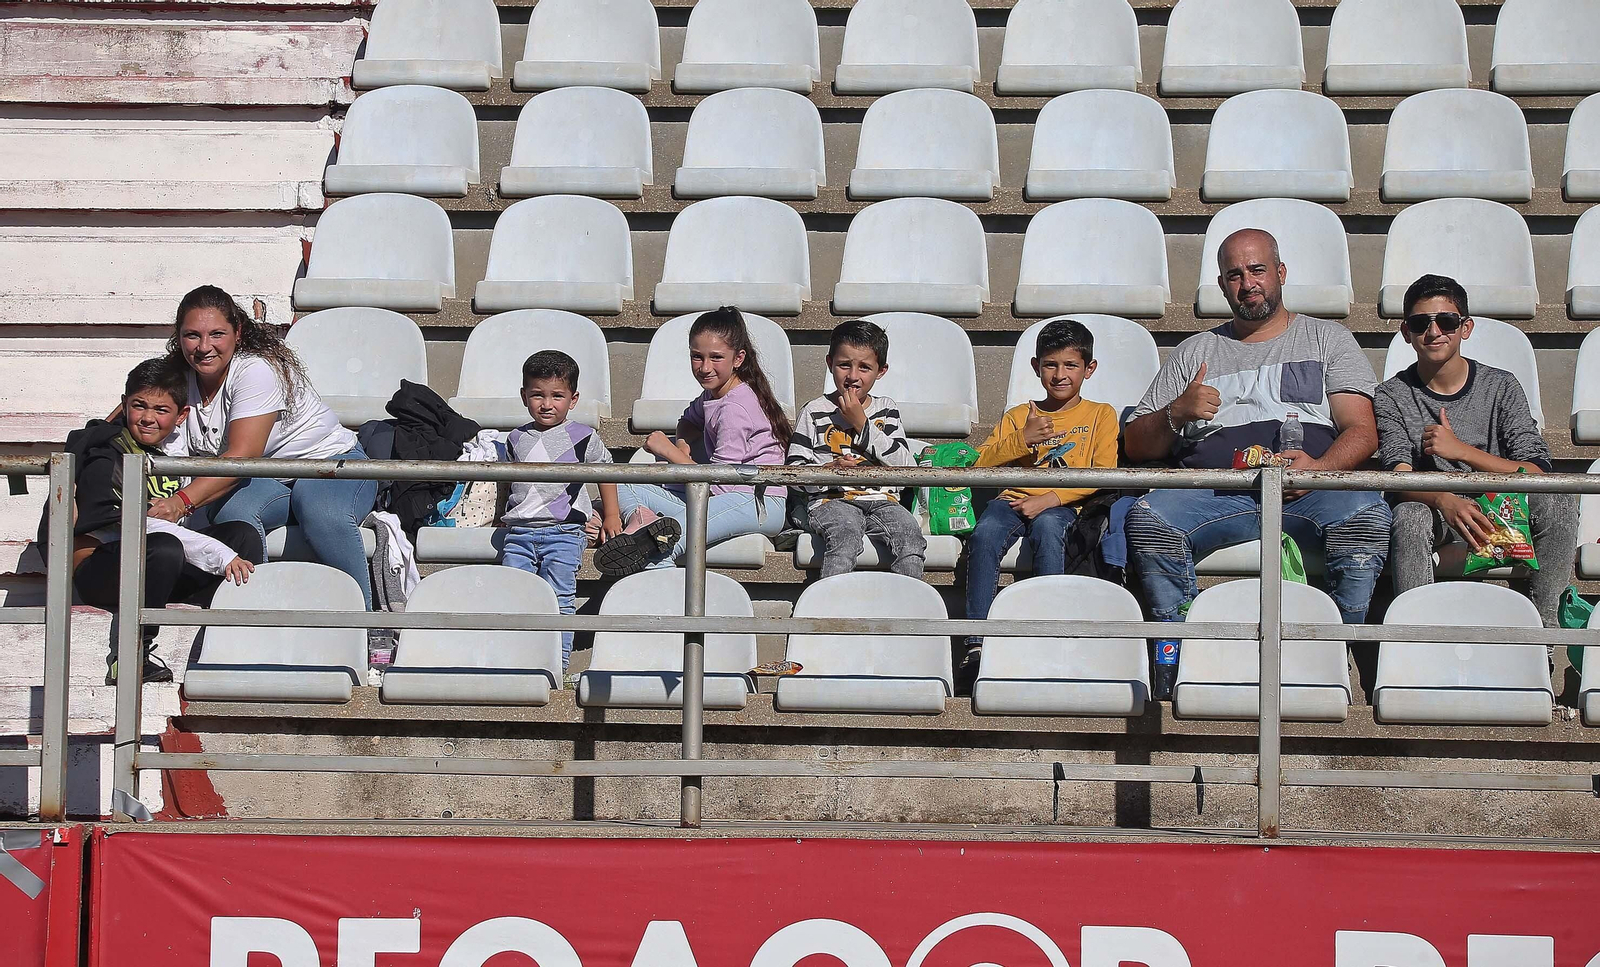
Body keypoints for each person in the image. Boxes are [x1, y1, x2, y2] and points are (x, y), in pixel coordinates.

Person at [1123, 229, 1391, 638]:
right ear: (1221, 285)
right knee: (1148, 520)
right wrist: (1176, 413)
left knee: (1367, 518)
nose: (1247, 284)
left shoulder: (1326, 338)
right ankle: (1177, 650)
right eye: (1234, 275)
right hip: (1214, 491)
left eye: (1257, 270)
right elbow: (1135, 444)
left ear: (1280, 273)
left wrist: (1319, 470)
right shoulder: (1194, 352)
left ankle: (1340, 646)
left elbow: (1363, 430)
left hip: (1311, 489)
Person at [146, 286, 379, 609]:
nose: (204, 347)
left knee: (321, 511)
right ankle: (264, 615)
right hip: (267, 478)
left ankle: (366, 625)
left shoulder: (255, 371)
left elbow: (242, 456)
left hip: (328, 462)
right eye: (192, 336)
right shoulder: (175, 377)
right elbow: (127, 419)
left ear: (237, 332)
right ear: (178, 336)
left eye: (217, 334)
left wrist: (181, 502)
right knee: (233, 515)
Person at [1375, 274, 1577, 628]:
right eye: (1421, 323)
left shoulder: (1500, 385)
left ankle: (1545, 634)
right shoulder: (1391, 394)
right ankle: (1416, 637)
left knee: (1558, 499)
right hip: (1438, 515)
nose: (1434, 332)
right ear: (1406, 333)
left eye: (1447, 321)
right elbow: (1396, 474)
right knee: (1408, 516)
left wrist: (1462, 451)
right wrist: (1443, 500)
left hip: (1503, 509)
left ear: (1465, 328)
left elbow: (1536, 473)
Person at [53, 358, 261, 684]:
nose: (149, 418)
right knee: (166, 547)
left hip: (154, 569)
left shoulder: (169, 447)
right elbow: (138, 527)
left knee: (242, 536)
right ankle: (134, 654)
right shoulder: (107, 455)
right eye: (139, 406)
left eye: (161, 410)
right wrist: (220, 555)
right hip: (101, 570)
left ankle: (230, 644)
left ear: (181, 416)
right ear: (124, 406)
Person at [957, 319, 1120, 686]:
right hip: (1011, 499)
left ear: (1088, 369)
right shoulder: (1019, 415)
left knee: (1049, 533)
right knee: (984, 536)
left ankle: (1045, 636)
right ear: (1036, 367)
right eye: (1050, 365)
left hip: (1061, 503)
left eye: (1070, 365)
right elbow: (980, 464)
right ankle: (976, 642)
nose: (1060, 374)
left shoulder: (1101, 414)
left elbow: (1104, 474)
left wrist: (1050, 498)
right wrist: (1022, 439)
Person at [600, 306, 791, 576]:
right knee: (623, 484)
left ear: (738, 359)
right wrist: (682, 446)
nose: (704, 367)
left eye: (716, 357)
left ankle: (664, 596)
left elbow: (721, 479)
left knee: (664, 544)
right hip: (719, 496)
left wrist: (667, 451)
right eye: (697, 357)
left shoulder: (736, 407)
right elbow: (688, 421)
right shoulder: (713, 394)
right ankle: (640, 519)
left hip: (755, 502)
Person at [499, 351, 624, 671]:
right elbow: (506, 483)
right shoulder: (515, 438)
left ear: (573, 398)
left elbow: (606, 471)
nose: (546, 403)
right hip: (521, 532)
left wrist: (611, 515)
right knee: (515, 597)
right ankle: (517, 663)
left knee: (559, 599)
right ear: (524, 395)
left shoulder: (584, 437)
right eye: (537, 394)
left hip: (564, 532)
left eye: (557, 395)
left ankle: (559, 665)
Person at [787, 320, 925, 579]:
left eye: (864, 367)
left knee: (910, 538)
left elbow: (906, 466)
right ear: (830, 364)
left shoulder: (886, 409)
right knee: (845, 535)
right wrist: (829, 471)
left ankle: (909, 609)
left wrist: (861, 423)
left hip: (883, 500)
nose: (852, 376)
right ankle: (828, 611)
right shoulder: (815, 411)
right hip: (831, 500)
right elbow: (794, 472)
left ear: (881, 371)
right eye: (844, 365)